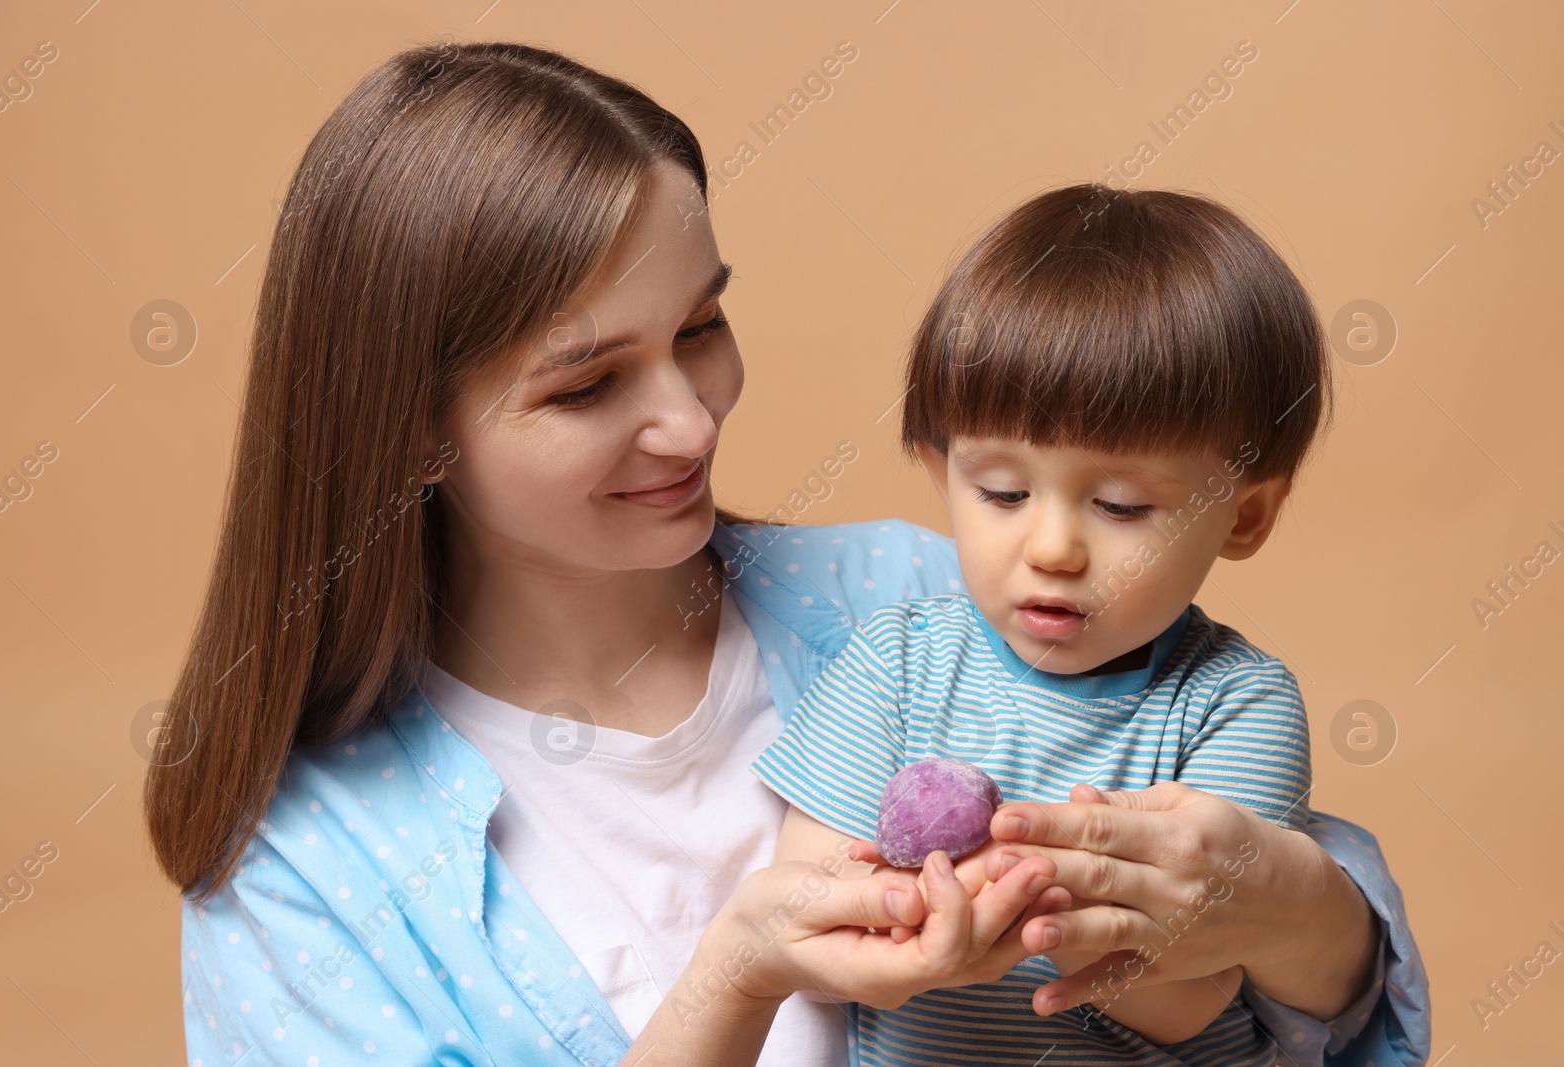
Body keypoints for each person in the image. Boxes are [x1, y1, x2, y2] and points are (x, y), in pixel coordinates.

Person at [143, 39, 1428, 1067]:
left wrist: (1297, 912)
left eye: (700, 323)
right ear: (413, 430)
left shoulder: (932, 599)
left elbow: (1317, 984)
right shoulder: (302, 872)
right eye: (588, 384)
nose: (693, 417)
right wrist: (742, 966)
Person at [755, 183, 1351, 1065]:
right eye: (1002, 492)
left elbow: (1193, 996)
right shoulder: (894, 663)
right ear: (939, 467)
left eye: (1120, 505)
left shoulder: (1237, 703)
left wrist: (1042, 905)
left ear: (1244, 516)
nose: (1053, 547)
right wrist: (907, 915)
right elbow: (801, 923)